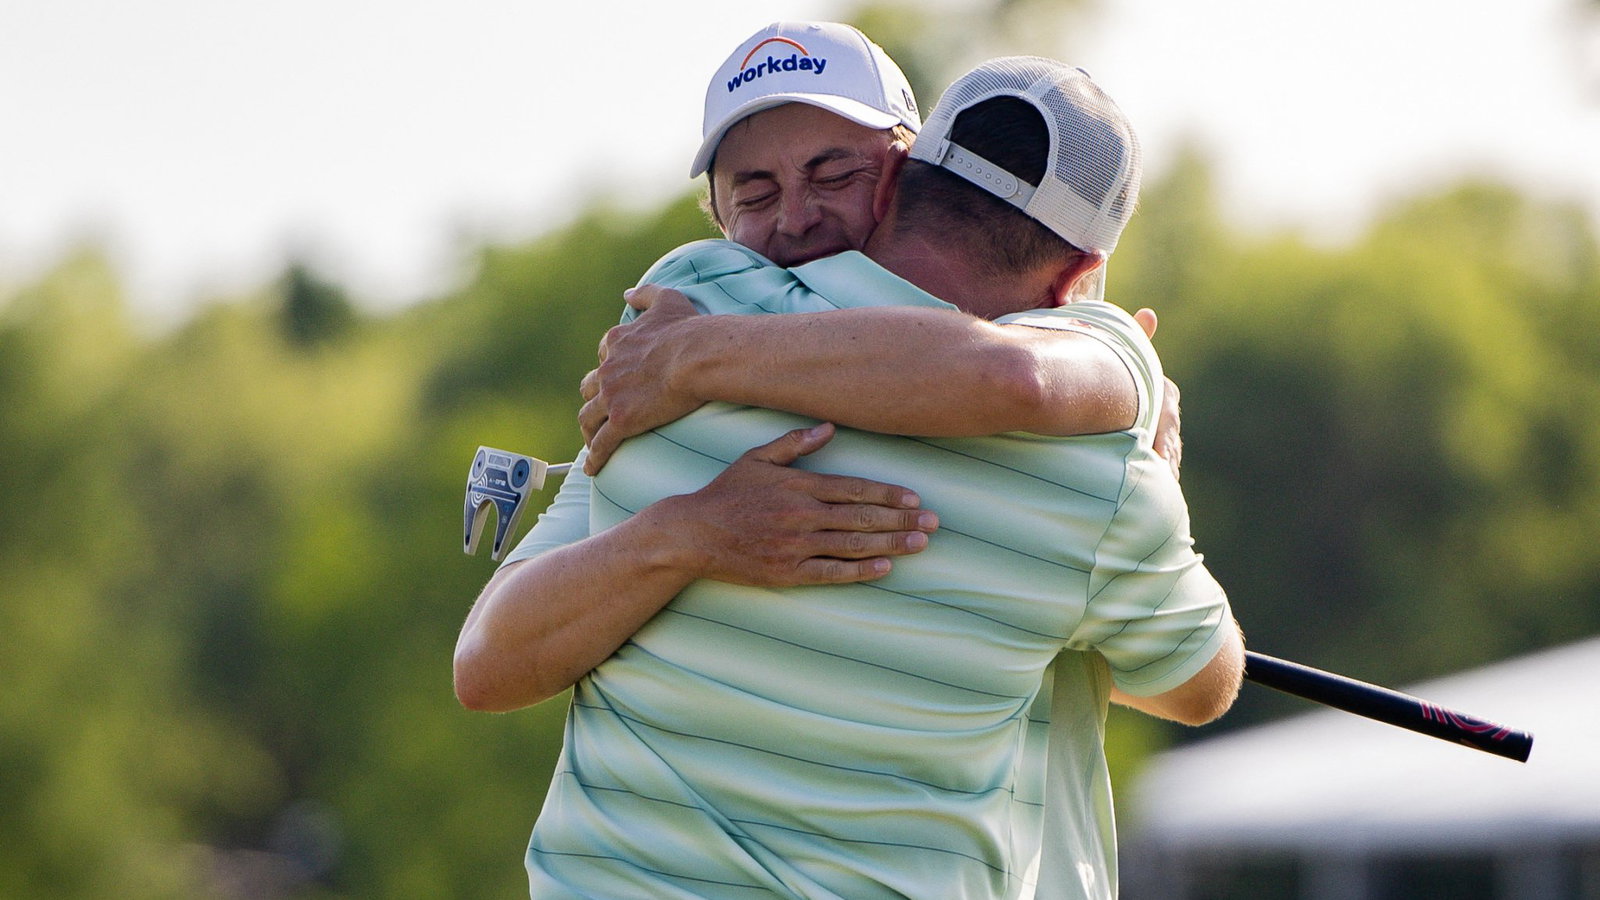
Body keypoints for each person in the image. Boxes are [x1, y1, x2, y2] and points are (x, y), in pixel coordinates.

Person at [460, 51, 1243, 900]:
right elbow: (1200, 685)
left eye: (830, 172)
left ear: (901, 177)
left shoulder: (679, 318)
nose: (795, 221)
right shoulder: (1095, 450)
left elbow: (1002, 376)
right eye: (754, 194)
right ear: (1082, 279)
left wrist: (699, 369)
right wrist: (1148, 474)